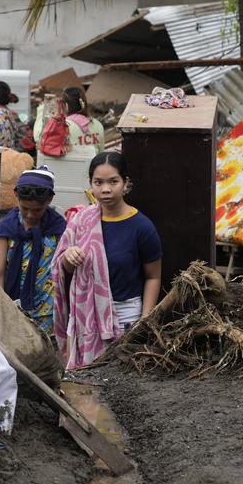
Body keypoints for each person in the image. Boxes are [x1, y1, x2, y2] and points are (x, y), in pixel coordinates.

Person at [52, 151, 162, 369]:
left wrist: (145, 320)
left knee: (121, 384)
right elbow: (61, 269)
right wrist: (68, 258)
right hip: (85, 318)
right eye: (98, 182)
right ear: (90, 184)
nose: (105, 189)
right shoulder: (81, 221)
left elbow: (153, 277)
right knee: (86, 382)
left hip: (125, 316)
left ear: (126, 183)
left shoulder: (142, 227)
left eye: (113, 181)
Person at [0, 166, 66, 334]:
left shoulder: (59, 228)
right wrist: (2, 306)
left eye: (37, 210)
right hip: (13, 306)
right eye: (25, 209)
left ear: (49, 201)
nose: (31, 215)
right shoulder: (6, 228)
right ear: (16, 197)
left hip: (48, 308)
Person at [34, 86, 105, 153]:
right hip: (92, 165)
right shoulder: (97, 125)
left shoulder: (63, 125)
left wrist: (43, 108)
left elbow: (39, 137)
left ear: (66, 106)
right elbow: (101, 153)